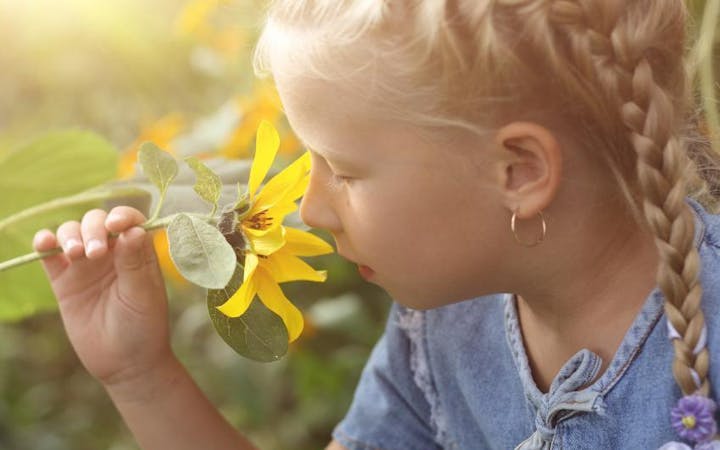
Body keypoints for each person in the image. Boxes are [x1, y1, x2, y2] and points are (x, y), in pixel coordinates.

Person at [32, 0, 720, 448]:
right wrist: (140, 375)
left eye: (344, 170)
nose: (310, 208)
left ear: (519, 173)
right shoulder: (443, 329)